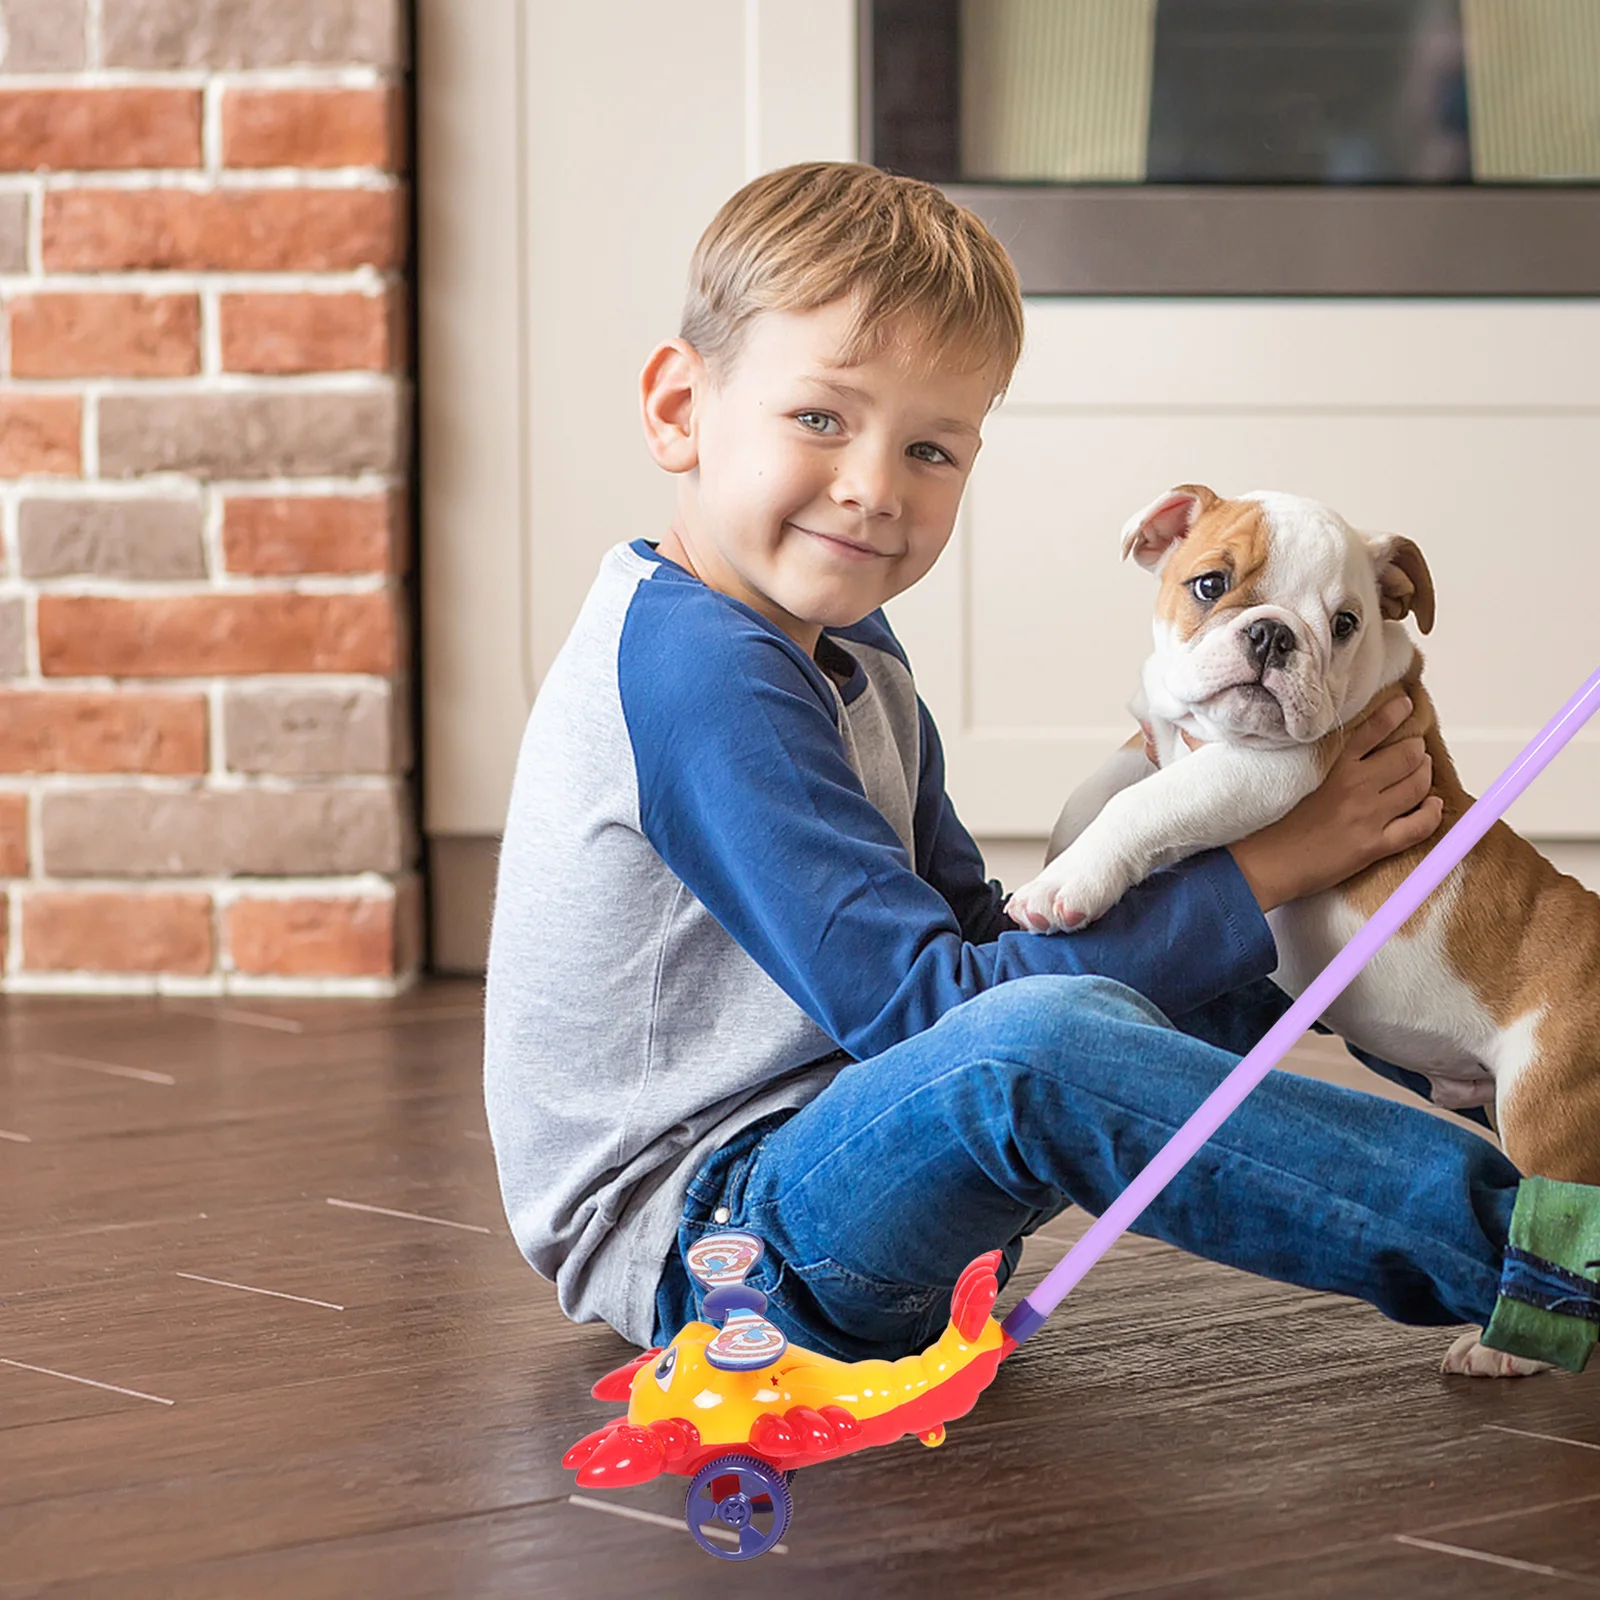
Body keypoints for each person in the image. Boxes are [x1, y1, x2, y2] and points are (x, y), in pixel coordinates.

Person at [484, 161, 1598, 1379]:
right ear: (678, 408)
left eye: (930, 449)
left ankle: (1498, 1088)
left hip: (869, 1161)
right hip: (723, 1245)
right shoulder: (701, 674)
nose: (872, 488)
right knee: (1045, 1039)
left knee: (1217, 953)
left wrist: (1258, 872)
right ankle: (1552, 1260)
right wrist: (1271, 857)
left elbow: (959, 924)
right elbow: (935, 1011)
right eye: (820, 419)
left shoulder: (846, 638)